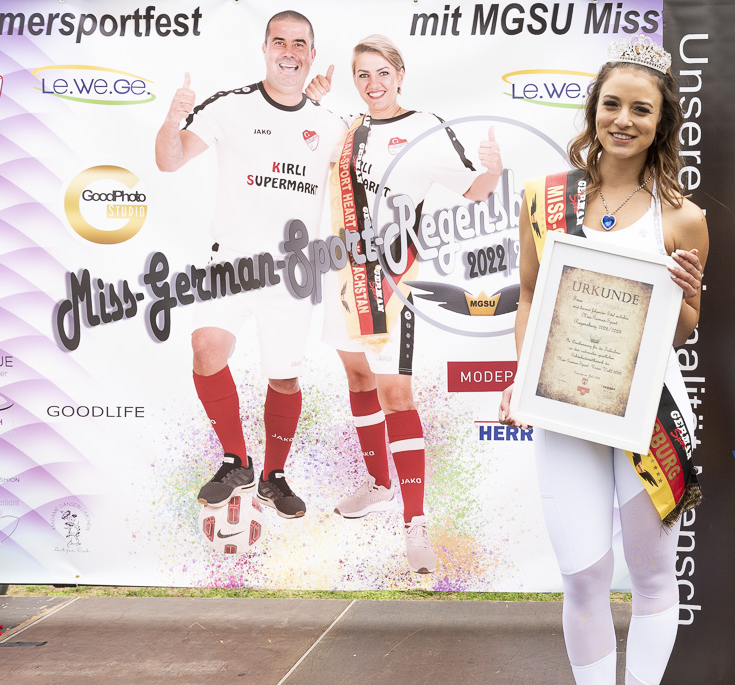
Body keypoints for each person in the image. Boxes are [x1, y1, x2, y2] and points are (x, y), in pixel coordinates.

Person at [499, 34, 707, 685]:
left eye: (641, 109)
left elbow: (684, 329)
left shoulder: (684, 218)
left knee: (650, 575)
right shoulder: (544, 197)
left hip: (646, 414)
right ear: (594, 110)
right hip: (565, 408)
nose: (624, 119)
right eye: (612, 104)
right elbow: (530, 295)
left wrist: (690, 296)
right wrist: (523, 373)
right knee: (583, 574)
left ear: (661, 121)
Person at [307, 35, 502, 573]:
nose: (373, 84)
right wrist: (311, 101)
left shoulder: (425, 128)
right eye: (362, 75)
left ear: (400, 74)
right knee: (357, 378)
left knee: (396, 394)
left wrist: (493, 167)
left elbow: (478, 191)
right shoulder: (344, 129)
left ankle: (415, 522)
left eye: (382, 73)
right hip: (342, 274)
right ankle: (378, 485)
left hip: (395, 282)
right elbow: (298, 144)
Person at [155, 10, 346, 519]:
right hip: (231, 266)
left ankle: (273, 476)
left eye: (300, 44)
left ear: (311, 54)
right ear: (264, 48)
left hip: (293, 272)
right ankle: (236, 460)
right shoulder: (230, 106)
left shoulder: (332, 125)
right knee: (206, 348)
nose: (289, 52)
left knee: (284, 378)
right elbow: (169, 161)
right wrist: (172, 120)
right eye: (280, 41)